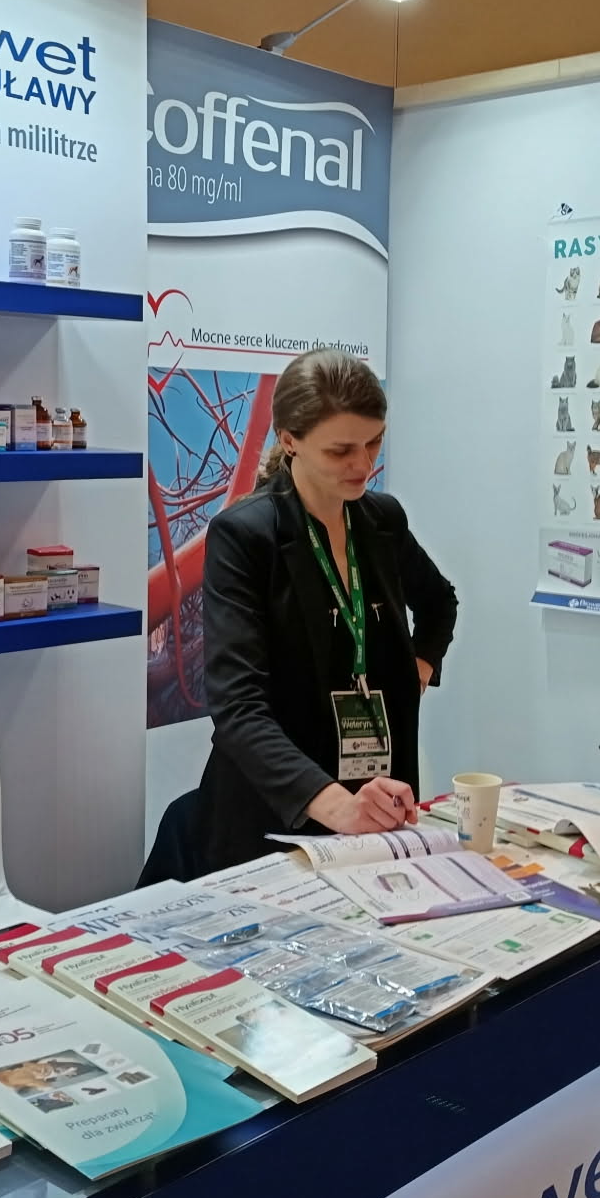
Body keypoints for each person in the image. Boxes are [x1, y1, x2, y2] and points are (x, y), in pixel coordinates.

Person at [191, 349, 458, 873]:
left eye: (374, 442)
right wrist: (334, 804)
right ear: (290, 440)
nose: (364, 465)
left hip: (377, 795)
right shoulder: (245, 535)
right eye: (341, 451)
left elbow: (438, 601)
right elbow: (238, 707)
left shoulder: (381, 520)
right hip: (276, 813)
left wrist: (416, 671)